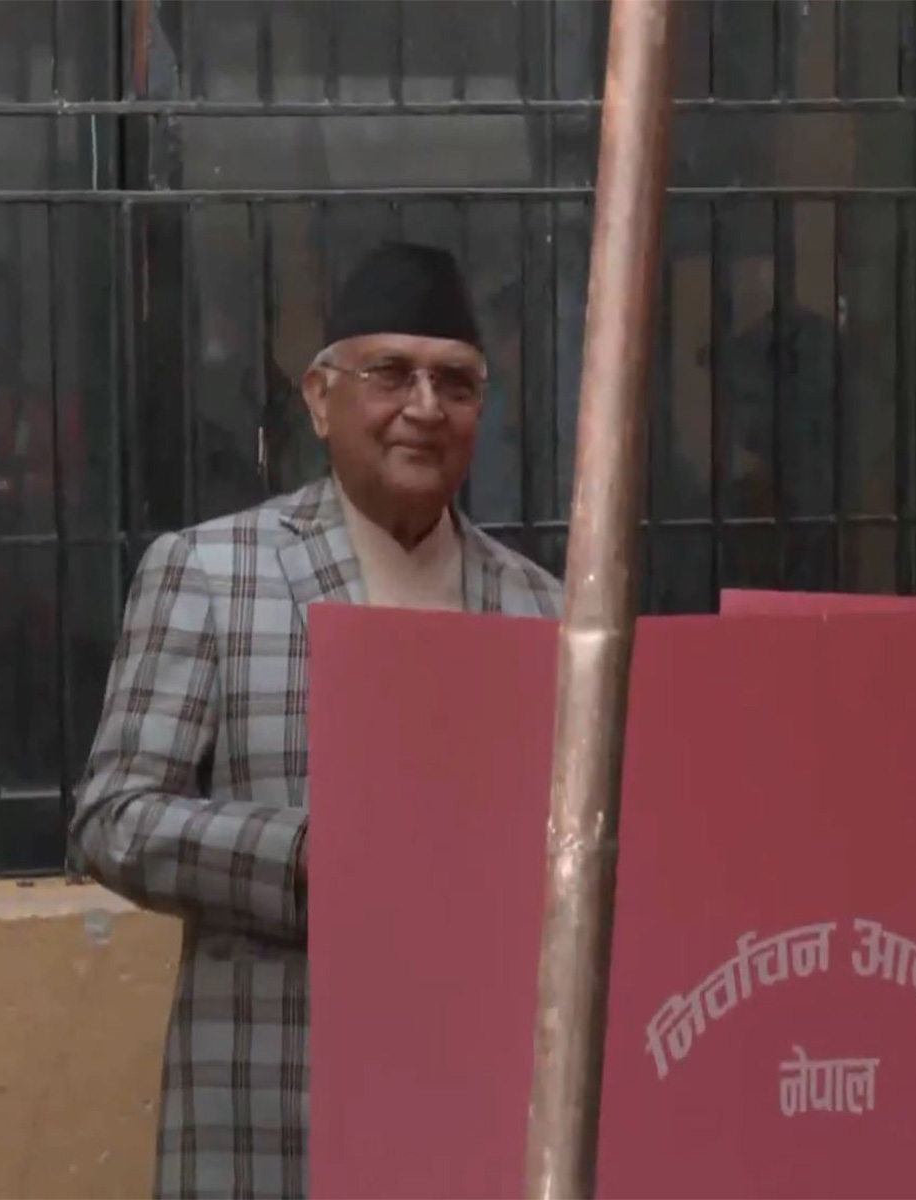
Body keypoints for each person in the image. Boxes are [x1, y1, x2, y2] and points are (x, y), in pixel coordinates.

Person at [71, 241, 563, 1199]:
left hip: (480, 1106)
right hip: (277, 1108)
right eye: (391, 374)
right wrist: (307, 858)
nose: (425, 407)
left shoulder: (541, 609)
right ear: (319, 397)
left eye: (456, 383)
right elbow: (113, 818)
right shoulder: (213, 573)